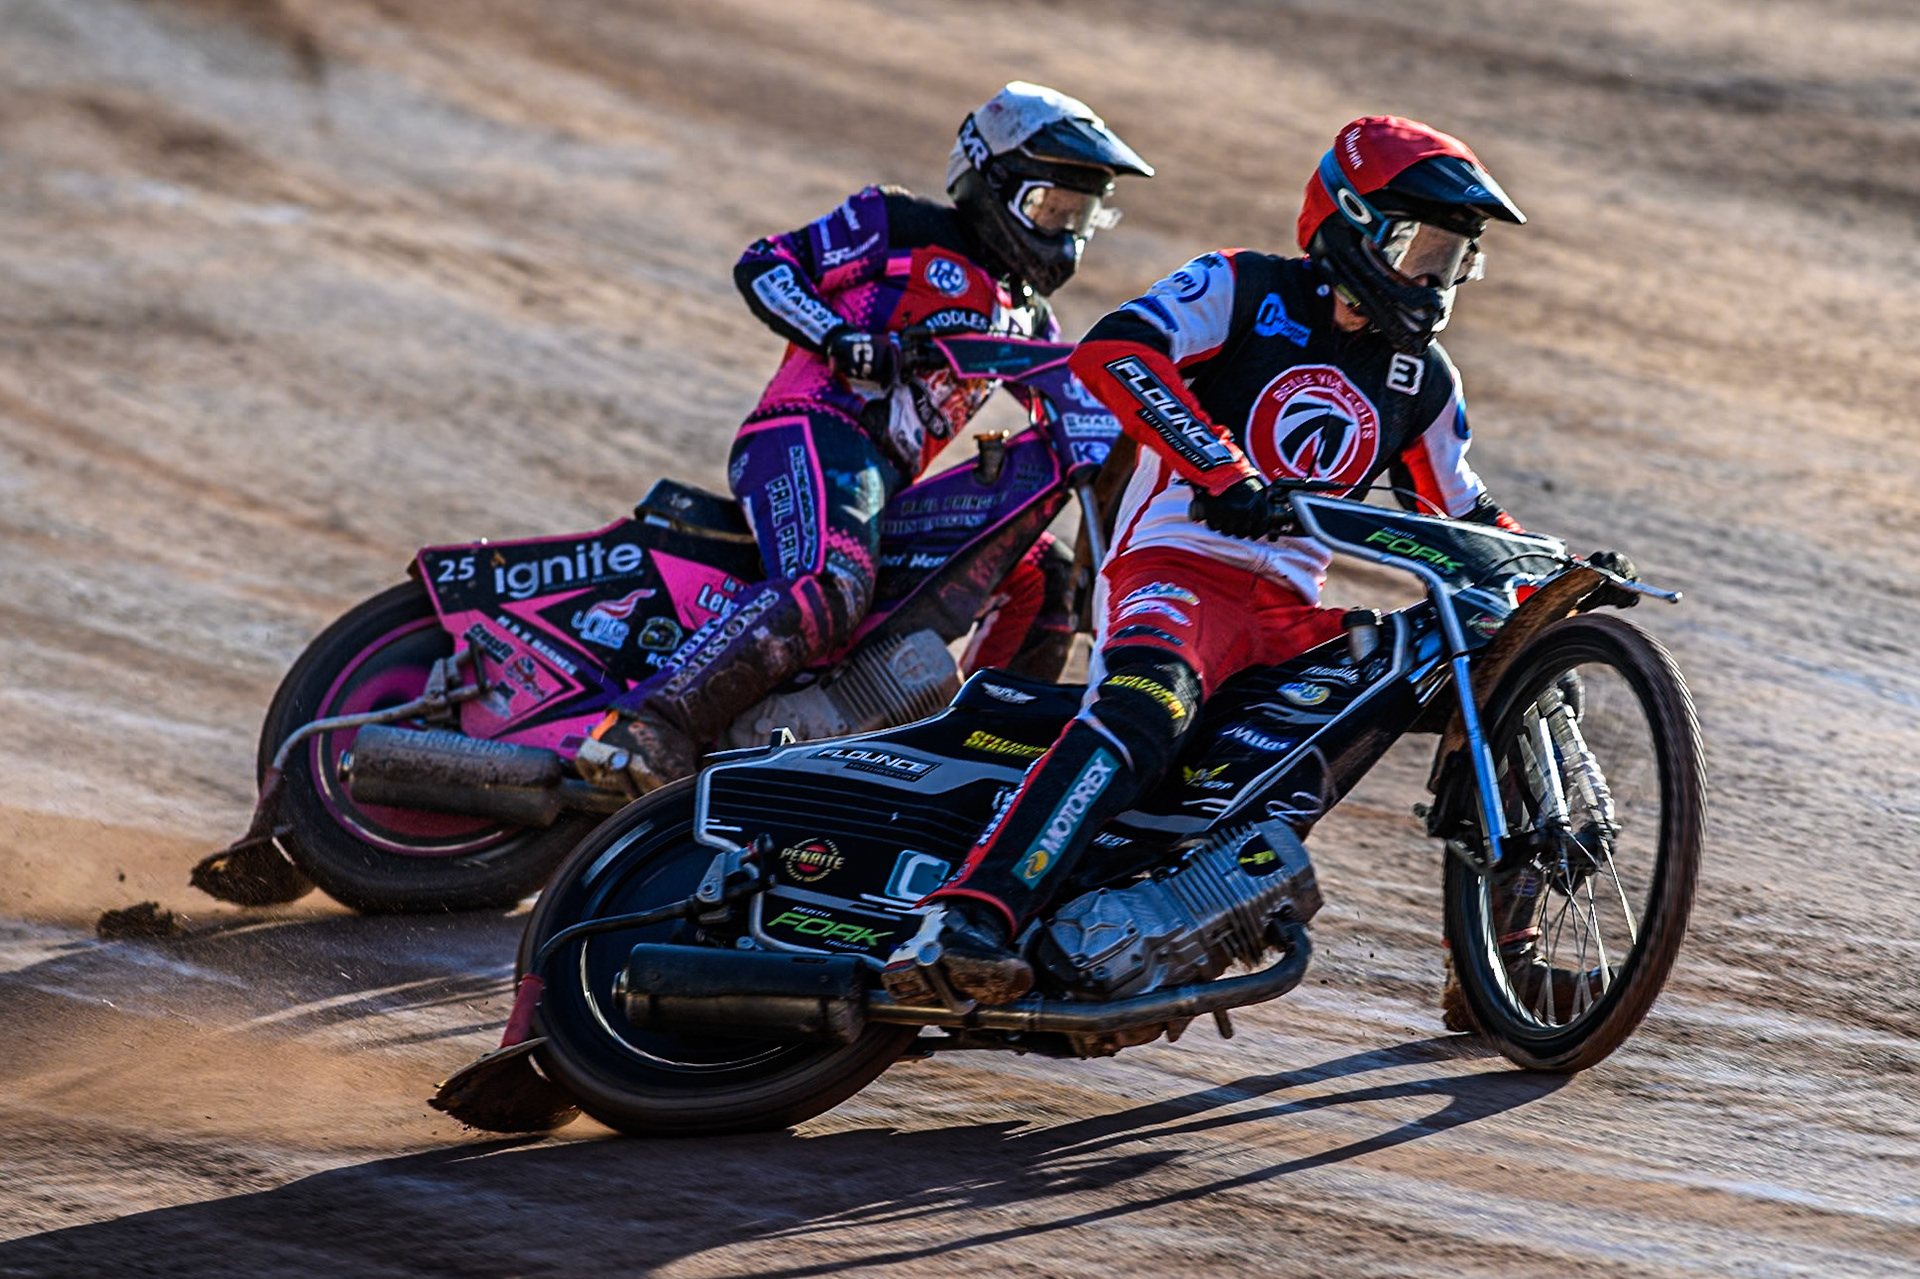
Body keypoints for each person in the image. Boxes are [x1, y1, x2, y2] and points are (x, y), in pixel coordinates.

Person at [919, 115, 1546, 1004]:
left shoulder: (1424, 377)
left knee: (1504, 665)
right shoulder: (1243, 286)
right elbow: (1116, 352)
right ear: (1355, 225)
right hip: (1176, 571)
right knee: (1145, 711)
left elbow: (1463, 509)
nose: (1436, 278)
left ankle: (1496, 968)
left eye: (1455, 258)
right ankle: (969, 914)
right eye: (1423, 247)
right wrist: (1219, 465)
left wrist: (1537, 569)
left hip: (1291, 617)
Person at [586, 82, 1153, 794]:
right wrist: (838, 336)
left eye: (1082, 214)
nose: (1065, 231)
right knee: (832, 582)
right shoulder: (898, 222)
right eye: (1049, 207)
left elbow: (1074, 408)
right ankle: (652, 724)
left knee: (1047, 579)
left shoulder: (1029, 323)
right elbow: (765, 263)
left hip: (885, 482)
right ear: (989, 180)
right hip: (810, 429)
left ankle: (975, 769)